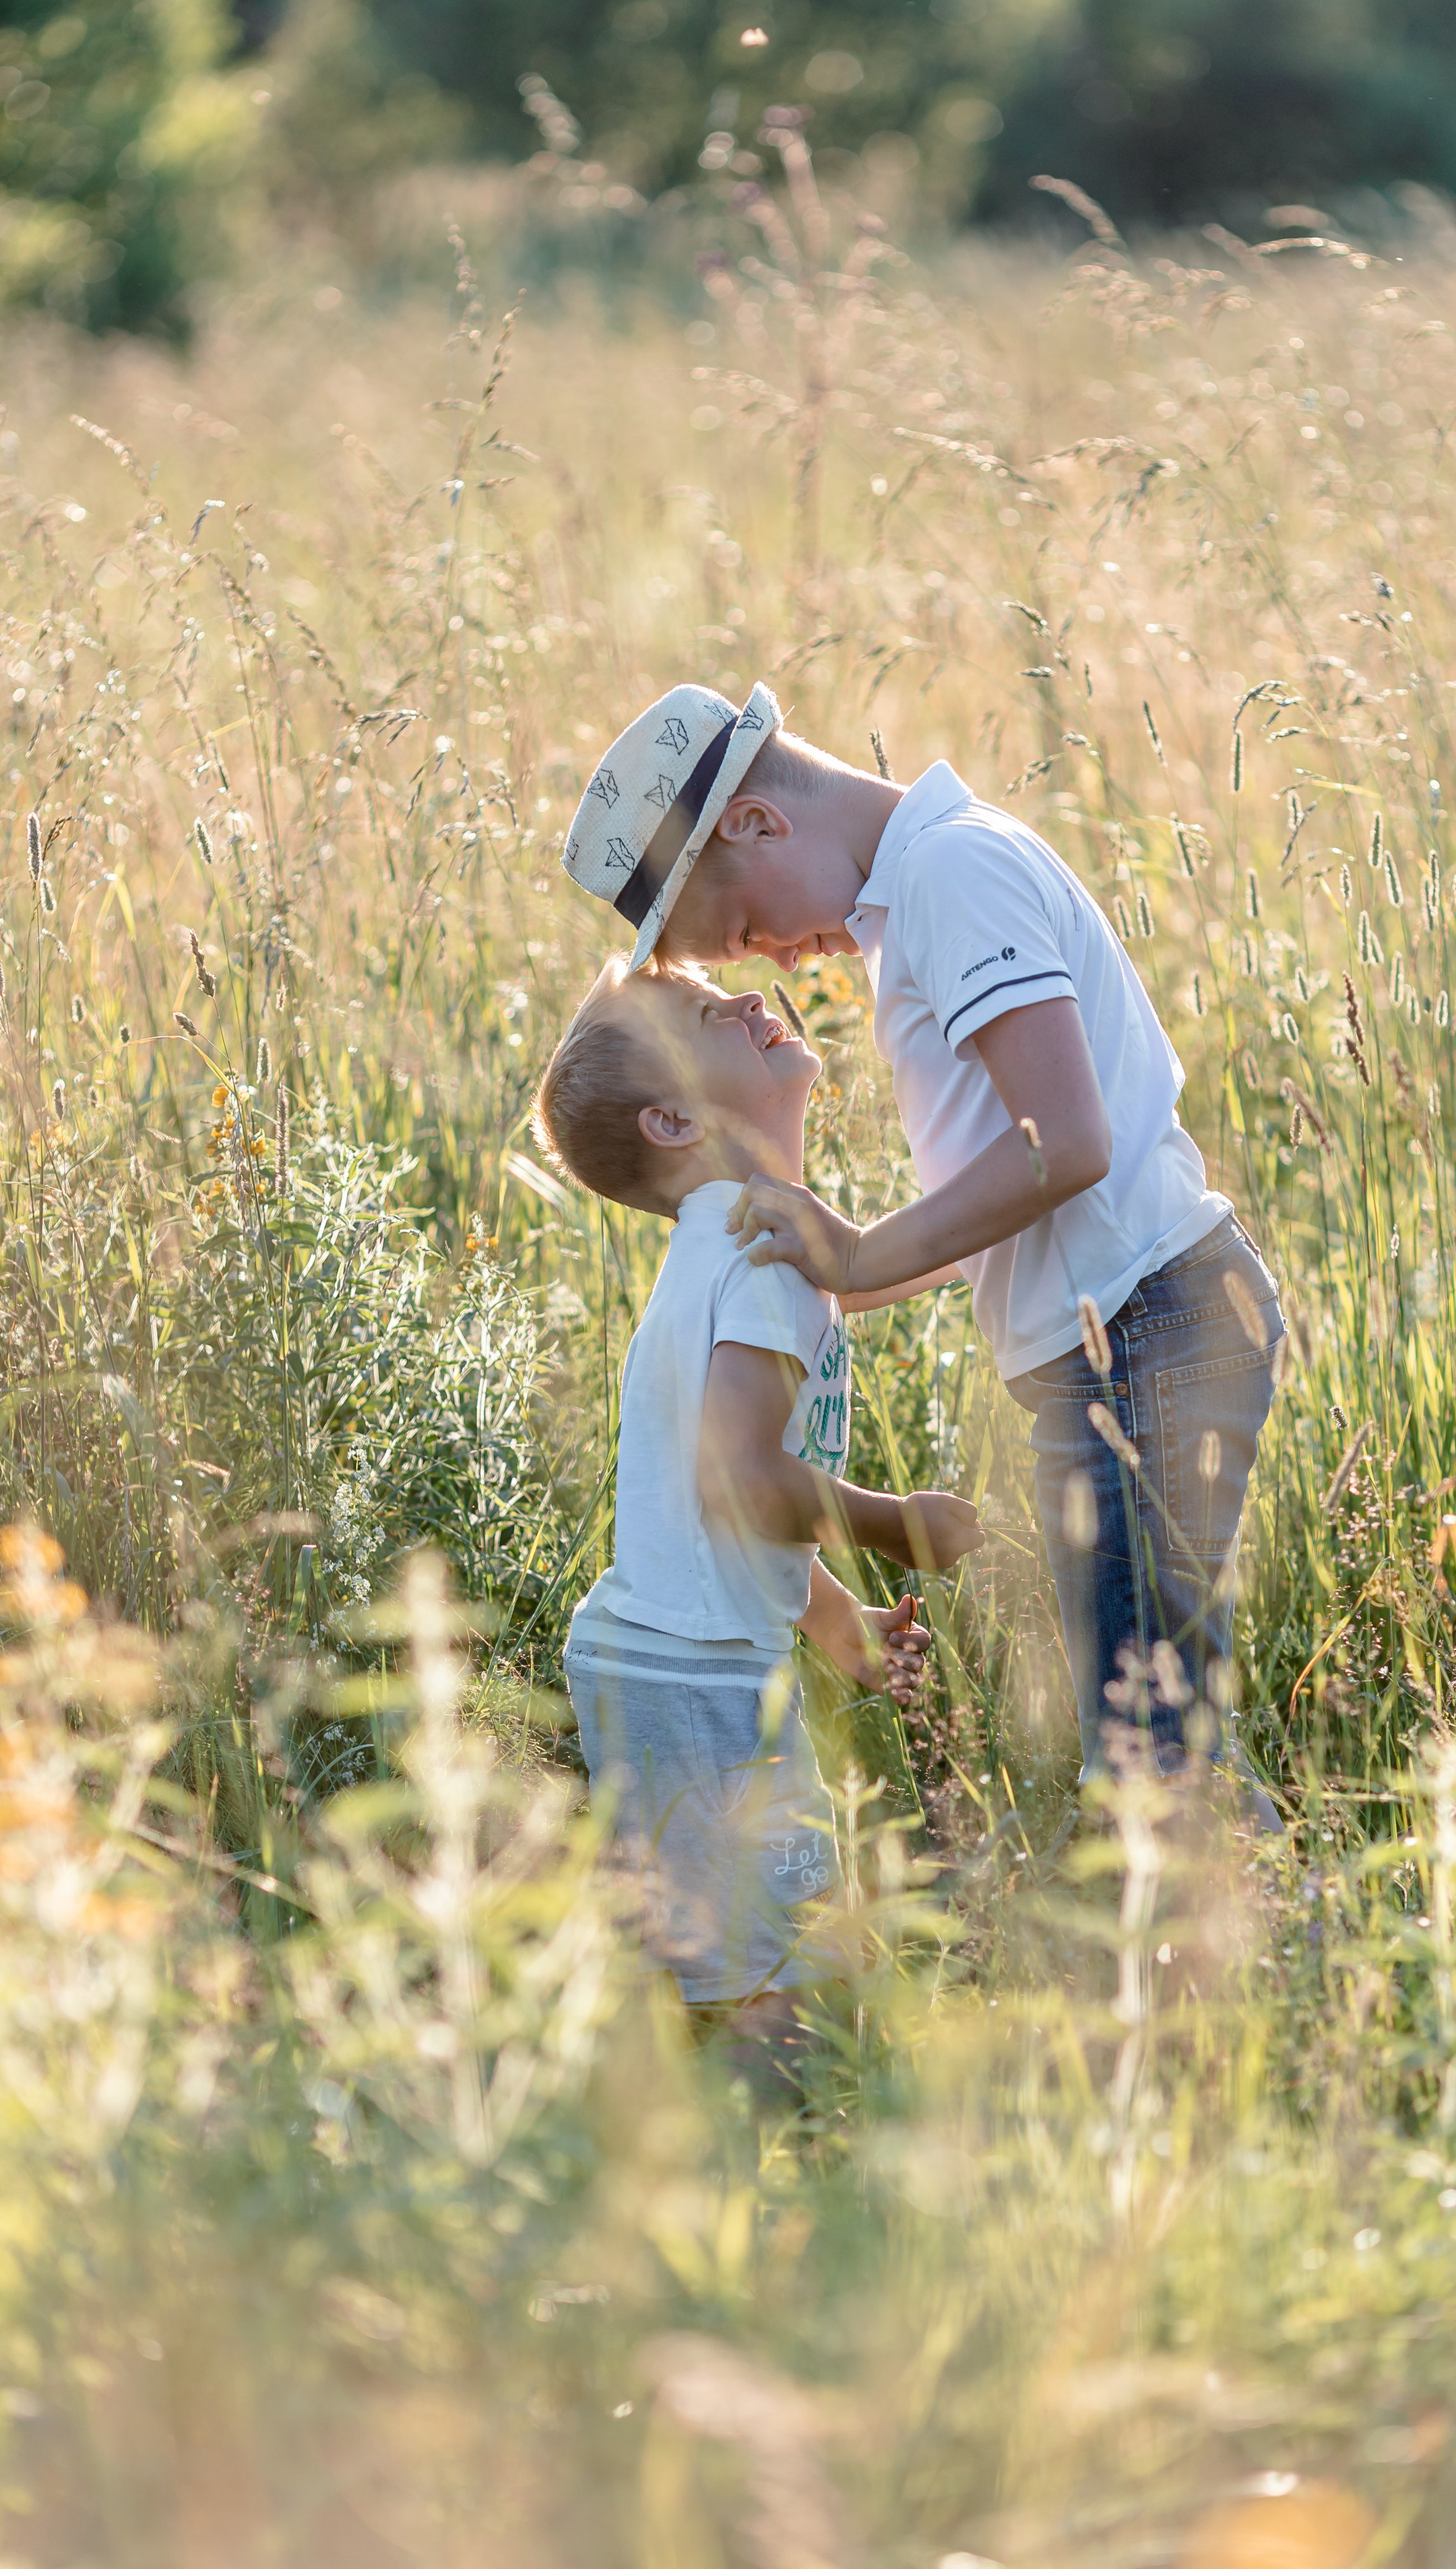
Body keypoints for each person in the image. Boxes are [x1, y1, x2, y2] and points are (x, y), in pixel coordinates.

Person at [561, 681, 1282, 1804]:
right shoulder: (928, 894)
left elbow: (1067, 1141)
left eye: (747, 929)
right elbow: (1017, 1188)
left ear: (755, 822)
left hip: (1147, 1330)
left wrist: (856, 1258)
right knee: (1152, 1728)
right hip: (1123, 1336)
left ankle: (1262, 1960)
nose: (783, 963)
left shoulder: (951, 876)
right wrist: (851, 1273)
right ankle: (1249, 1956)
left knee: (1149, 1748)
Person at [532, 931, 982, 2066]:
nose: (745, 994)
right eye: (703, 1018)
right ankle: (773, 2167)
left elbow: (723, 1527)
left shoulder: (739, 1246)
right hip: (699, 1680)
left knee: (734, 1950)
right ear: (674, 1122)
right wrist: (897, 1525)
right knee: (776, 1977)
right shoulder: (760, 1257)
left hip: (670, 1655)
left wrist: (838, 1623)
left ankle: (713, 2133)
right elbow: (742, 1484)